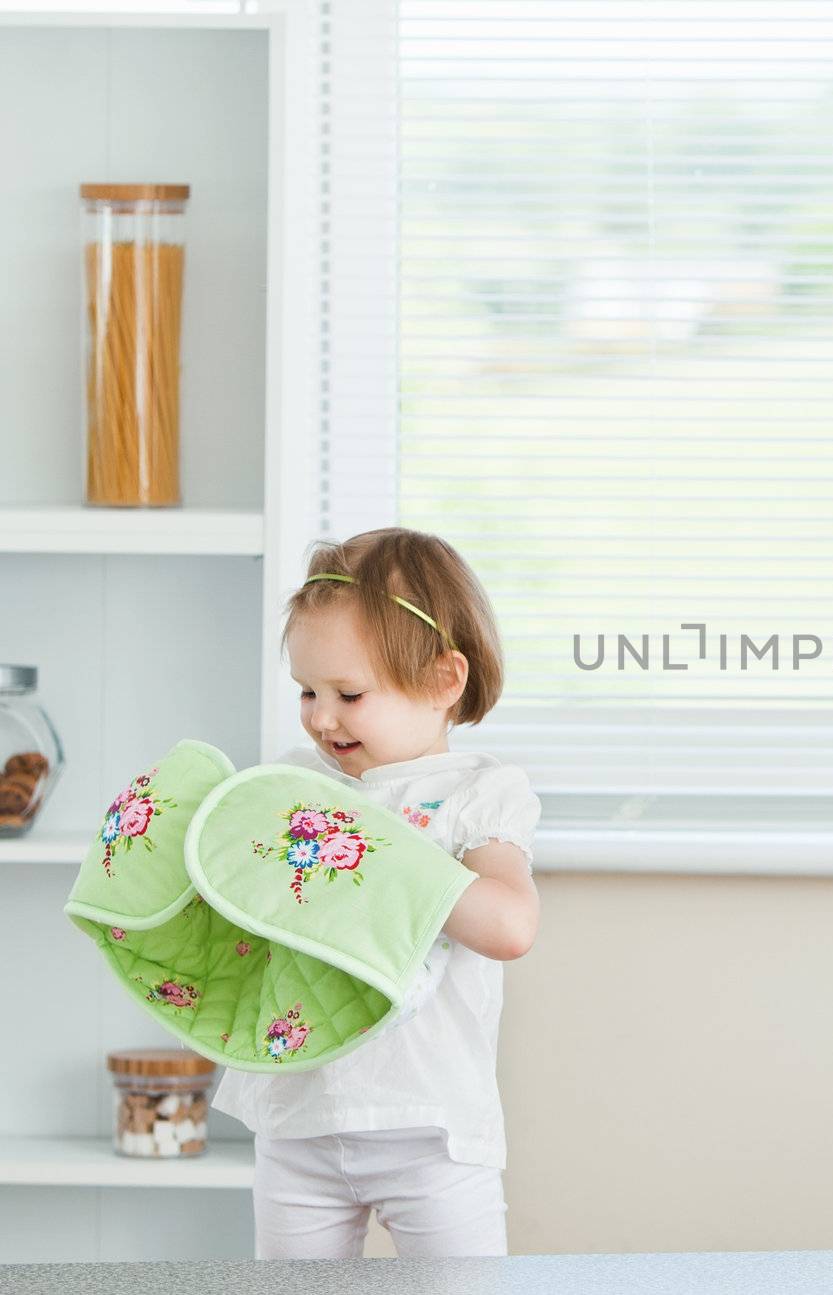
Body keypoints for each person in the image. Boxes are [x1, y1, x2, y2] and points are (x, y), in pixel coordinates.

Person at [211, 526, 542, 1259]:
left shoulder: (479, 795)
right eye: (307, 689)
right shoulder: (297, 783)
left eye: (348, 693)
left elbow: (509, 925)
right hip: (299, 1119)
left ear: (442, 680)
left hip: (429, 1125)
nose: (321, 716)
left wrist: (383, 851)